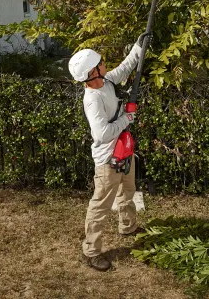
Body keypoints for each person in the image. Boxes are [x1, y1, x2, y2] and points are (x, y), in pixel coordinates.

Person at [68, 34, 148, 271]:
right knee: (101, 205)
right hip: (107, 159)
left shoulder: (107, 82)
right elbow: (102, 133)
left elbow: (124, 69)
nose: (104, 63)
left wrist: (138, 46)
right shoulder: (92, 99)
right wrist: (127, 118)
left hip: (124, 149)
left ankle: (128, 226)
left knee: (128, 191)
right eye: (100, 62)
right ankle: (91, 251)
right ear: (92, 73)